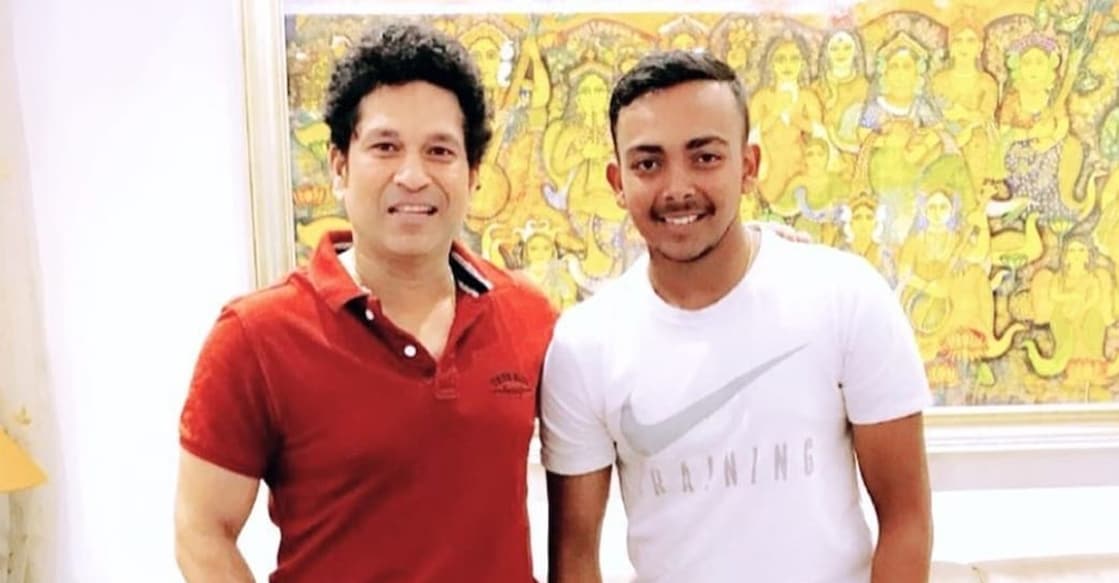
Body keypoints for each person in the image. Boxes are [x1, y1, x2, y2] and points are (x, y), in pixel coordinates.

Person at [174, 22, 557, 582]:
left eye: (439, 151)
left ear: (473, 174)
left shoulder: (529, 316)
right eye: (385, 147)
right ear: (339, 166)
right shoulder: (255, 336)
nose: (413, 176)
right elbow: (201, 532)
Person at [540, 50, 933, 583]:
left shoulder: (845, 296)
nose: (677, 188)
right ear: (617, 181)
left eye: (704, 157)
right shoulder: (584, 344)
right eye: (648, 163)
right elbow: (574, 559)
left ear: (748, 166)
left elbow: (906, 518)